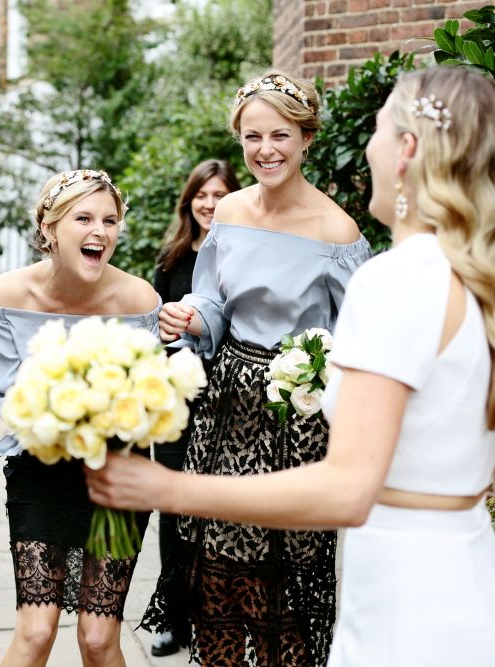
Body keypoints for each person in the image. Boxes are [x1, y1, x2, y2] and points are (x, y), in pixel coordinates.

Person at [87, 65, 495, 666]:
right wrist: (197, 320)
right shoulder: (464, 276)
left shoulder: (392, 279)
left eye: (377, 129)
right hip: (458, 561)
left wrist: (169, 488)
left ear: (406, 149)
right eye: (252, 136)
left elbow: (349, 487)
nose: (366, 145)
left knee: (289, 607)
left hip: (398, 578)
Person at [116, 70, 373, 666]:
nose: (265, 150)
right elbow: (213, 300)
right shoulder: (228, 211)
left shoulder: (338, 231)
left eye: (280, 135)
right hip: (226, 414)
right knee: (219, 569)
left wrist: (318, 374)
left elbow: (362, 336)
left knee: (285, 578)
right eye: (252, 136)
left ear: (306, 138)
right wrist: (191, 317)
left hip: (298, 423)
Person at [0, 168, 161, 667]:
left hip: (117, 477)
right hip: (40, 470)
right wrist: (57, 420)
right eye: (83, 218)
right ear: (49, 227)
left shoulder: (139, 300)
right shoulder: (8, 295)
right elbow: (1, 387)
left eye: (110, 219)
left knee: (98, 639)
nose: (100, 230)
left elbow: (150, 394)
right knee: (36, 632)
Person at [150, 158, 241, 658]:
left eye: (220, 195)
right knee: (172, 506)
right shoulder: (171, 259)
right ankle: (174, 617)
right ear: (190, 201)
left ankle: (218, 609)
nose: (210, 204)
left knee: (217, 508)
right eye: (202, 195)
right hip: (175, 400)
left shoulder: (244, 256)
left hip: (226, 401)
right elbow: (151, 329)